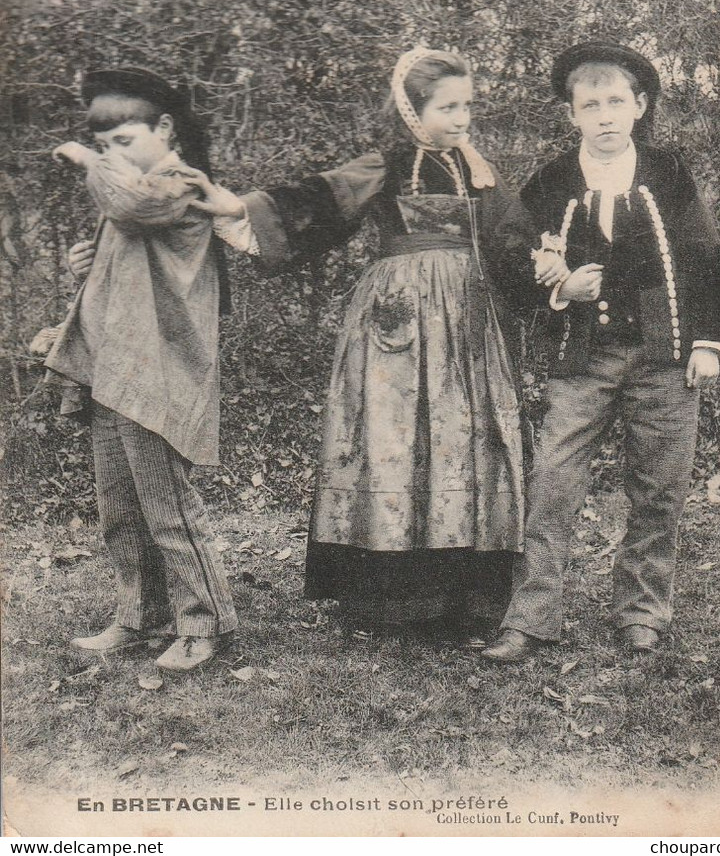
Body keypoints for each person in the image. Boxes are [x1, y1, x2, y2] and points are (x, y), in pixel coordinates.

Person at [211, 47, 565, 640]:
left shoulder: (481, 172)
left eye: (467, 106)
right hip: (396, 323)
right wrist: (244, 210)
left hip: (470, 327)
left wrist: (546, 266)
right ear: (413, 109)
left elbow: (514, 240)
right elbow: (318, 201)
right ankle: (394, 600)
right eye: (446, 107)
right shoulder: (388, 165)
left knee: (466, 439)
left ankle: (471, 598)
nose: (460, 119)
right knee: (394, 442)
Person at [480, 40, 720, 663]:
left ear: (640, 105)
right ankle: (532, 615)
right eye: (590, 105)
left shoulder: (668, 171)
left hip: (666, 357)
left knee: (658, 486)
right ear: (572, 114)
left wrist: (707, 342)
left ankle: (641, 611)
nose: (606, 116)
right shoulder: (553, 180)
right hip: (582, 359)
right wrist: (560, 287)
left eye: (617, 101)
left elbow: (704, 255)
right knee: (555, 483)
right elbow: (511, 261)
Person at [45, 68, 240, 671]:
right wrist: (89, 263)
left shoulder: (178, 181)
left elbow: (132, 206)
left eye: (122, 142)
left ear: (165, 128)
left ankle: (204, 625)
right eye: (104, 146)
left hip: (158, 371)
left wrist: (85, 159)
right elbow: (129, 259)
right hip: (113, 367)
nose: (111, 156)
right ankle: (139, 615)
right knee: (120, 508)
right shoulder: (131, 187)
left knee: (169, 508)